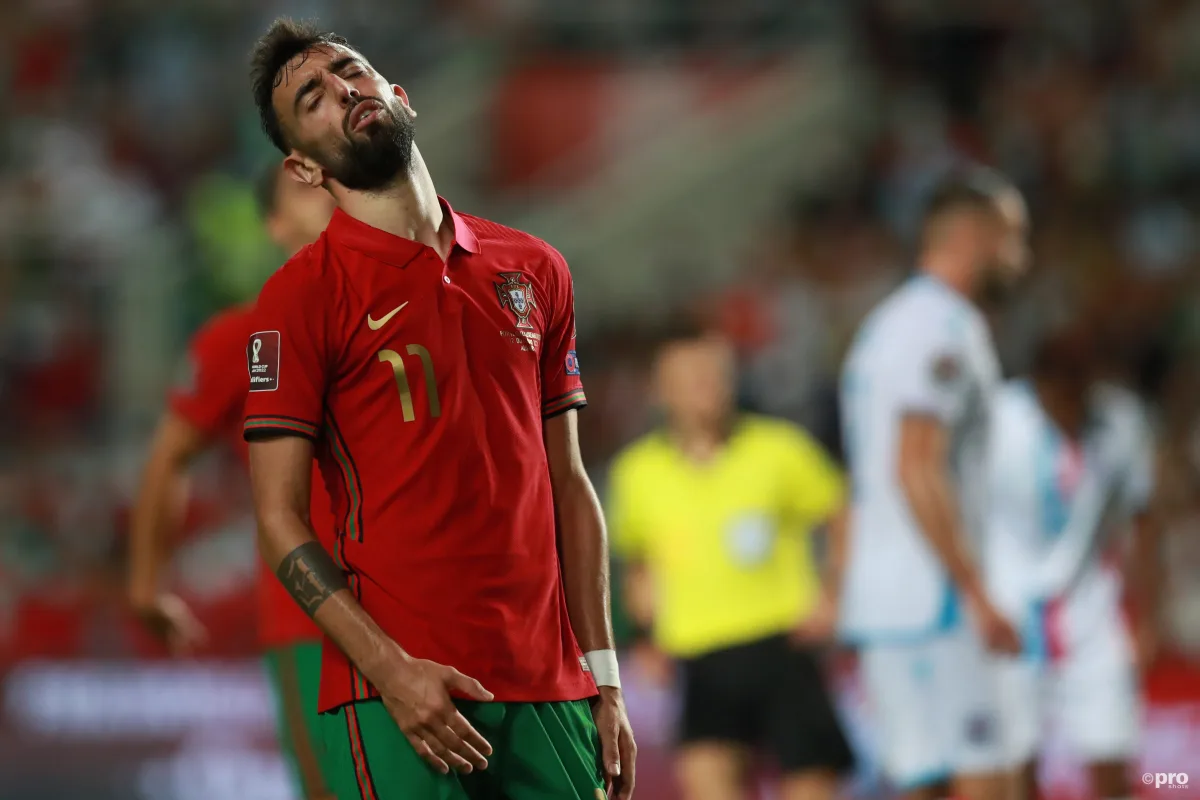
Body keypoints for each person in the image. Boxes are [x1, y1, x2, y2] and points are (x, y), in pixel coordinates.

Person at [242, 19, 635, 800]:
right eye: (312, 98)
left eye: (351, 70)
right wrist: (389, 672)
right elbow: (279, 520)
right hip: (405, 691)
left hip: (551, 683)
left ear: (397, 92)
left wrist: (605, 676)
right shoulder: (300, 298)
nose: (343, 91)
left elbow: (569, 482)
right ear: (302, 168)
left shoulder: (534, 268)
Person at [128, 164, 337, 800]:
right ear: (274, 226)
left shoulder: (420, 314)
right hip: (315, 618)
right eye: (303, 186)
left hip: (427, 611)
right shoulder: (243, 338)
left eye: (332, 178)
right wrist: (145, 585)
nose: (326, 189)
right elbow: (169, 457)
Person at [838, 168, 1030, 800]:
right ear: (972, 238)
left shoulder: (884, 326)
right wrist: (975, 590)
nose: (1021, 257)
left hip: (888, 601)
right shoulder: (943, 330)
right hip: (938, 602)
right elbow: (915, 464)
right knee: (988, 783)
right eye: (1012, 238)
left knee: (925, 783)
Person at [609, 324, 855, 800]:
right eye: (691, 378)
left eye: (715, 374)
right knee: (710, 784)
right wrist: (646, 636)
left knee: (812, 786)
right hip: (701, 656)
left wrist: (833, 593)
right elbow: (638, 563)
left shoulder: (779, 447)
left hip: (781, 641)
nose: (707, 387)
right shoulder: (637, 473)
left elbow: (840, 513)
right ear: (662, 391)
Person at [986, 324, 1160, 800]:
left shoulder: (1121, 421)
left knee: (1114, 765)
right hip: (1010, 612)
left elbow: (1143, 518)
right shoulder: (996, 420)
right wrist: (973, 599)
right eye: (1061, 393)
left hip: (1091, 612)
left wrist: (1147, 616)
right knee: (1016, 764)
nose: (1071, 407)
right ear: (1037, 384)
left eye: (1081, 391)